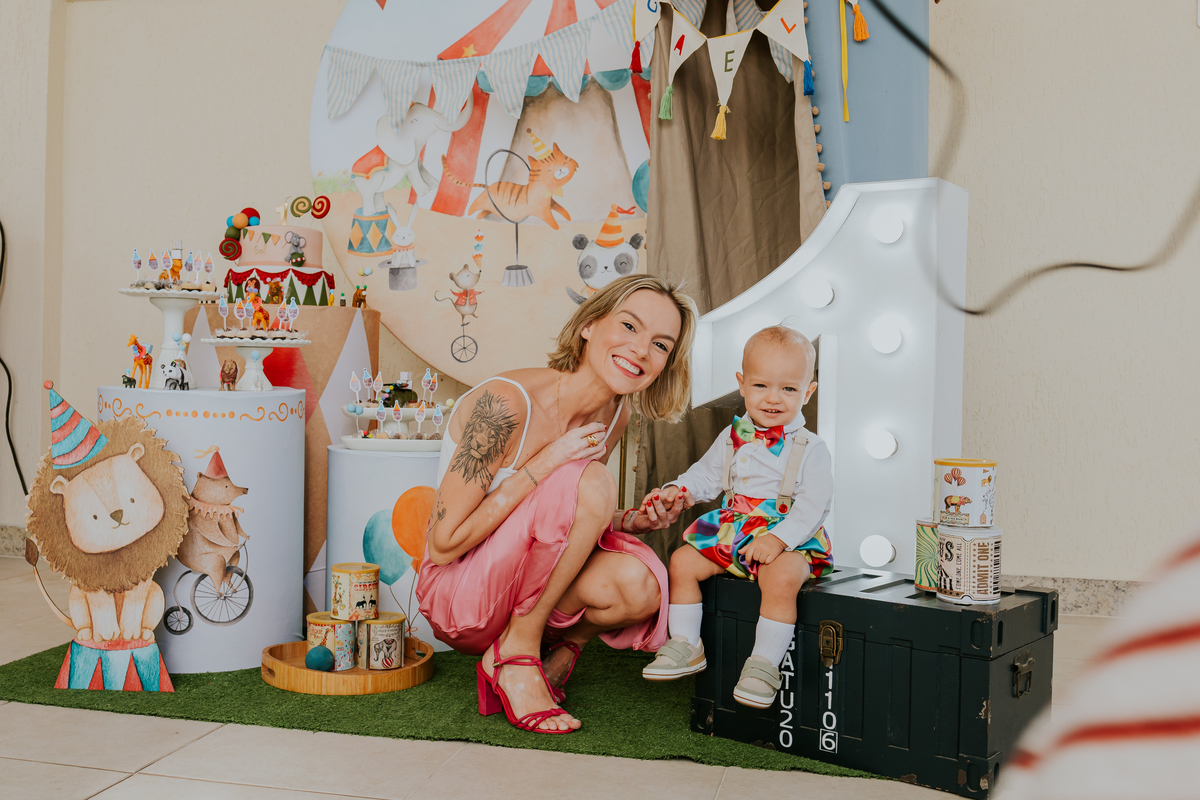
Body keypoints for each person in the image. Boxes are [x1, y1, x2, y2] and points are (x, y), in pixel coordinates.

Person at [417, 275, 698, 734]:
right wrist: (546, 461)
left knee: (639, 585)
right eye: (629, 326)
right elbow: (443, 545)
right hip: (459, 596)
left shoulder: (615, 415)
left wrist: (631, 520)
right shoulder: (505, 404)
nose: (642, 350)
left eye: (661, 344)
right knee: (591, 478)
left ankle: (560, 651)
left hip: (522, 592)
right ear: (590, 324)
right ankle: (515, 653)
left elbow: (563, 513)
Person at [640, 325, 833, 709]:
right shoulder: (733, 436)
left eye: (789, 389)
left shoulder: (810, 448)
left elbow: (814, 505)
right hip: (734, 528)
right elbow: (707, 474)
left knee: (780, 579)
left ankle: (764, 663)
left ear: (807, 392)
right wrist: (680, 490)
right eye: (761, 386)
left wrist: (779, 540)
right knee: (682, 561)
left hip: (788, 536)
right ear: (742, 385)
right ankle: (685, 643)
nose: (773, 399)